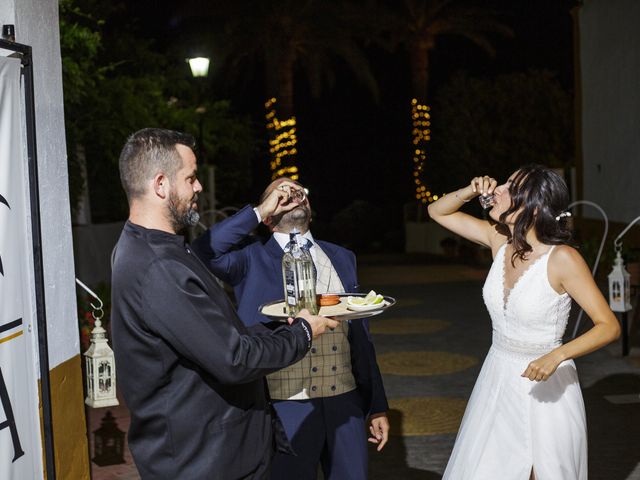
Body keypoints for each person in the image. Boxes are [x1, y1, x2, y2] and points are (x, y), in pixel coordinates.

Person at [111, 128, 339, 480]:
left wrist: (279, 328)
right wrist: (305, 334)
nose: (199, 186)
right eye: (191, 177)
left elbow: (213, 337)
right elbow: (235, 358)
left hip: (212, 455)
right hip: (204, 463)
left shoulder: (148, 247)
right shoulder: (159, 267)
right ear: (161, 185)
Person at [428, 165, 621, 480]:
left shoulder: (563, 259)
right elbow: (437, 212)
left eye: (509, 187)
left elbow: (609, 325)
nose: (497, 190)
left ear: (531, 206)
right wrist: (470, 191)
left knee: (538, 471)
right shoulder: (498, 240)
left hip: (545, 386)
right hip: (497, 375)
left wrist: (557, 355)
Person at [192, 178, 390, 480]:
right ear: (269, 214)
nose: (291, 195)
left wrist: (376, 405)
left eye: (298, 192)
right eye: (280, 193)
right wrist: (258, 211)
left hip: (344, 402)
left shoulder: (342, 257)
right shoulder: (249, 258)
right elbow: (203, 251)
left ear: (310, 206)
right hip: (284, 407)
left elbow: (361, 336)